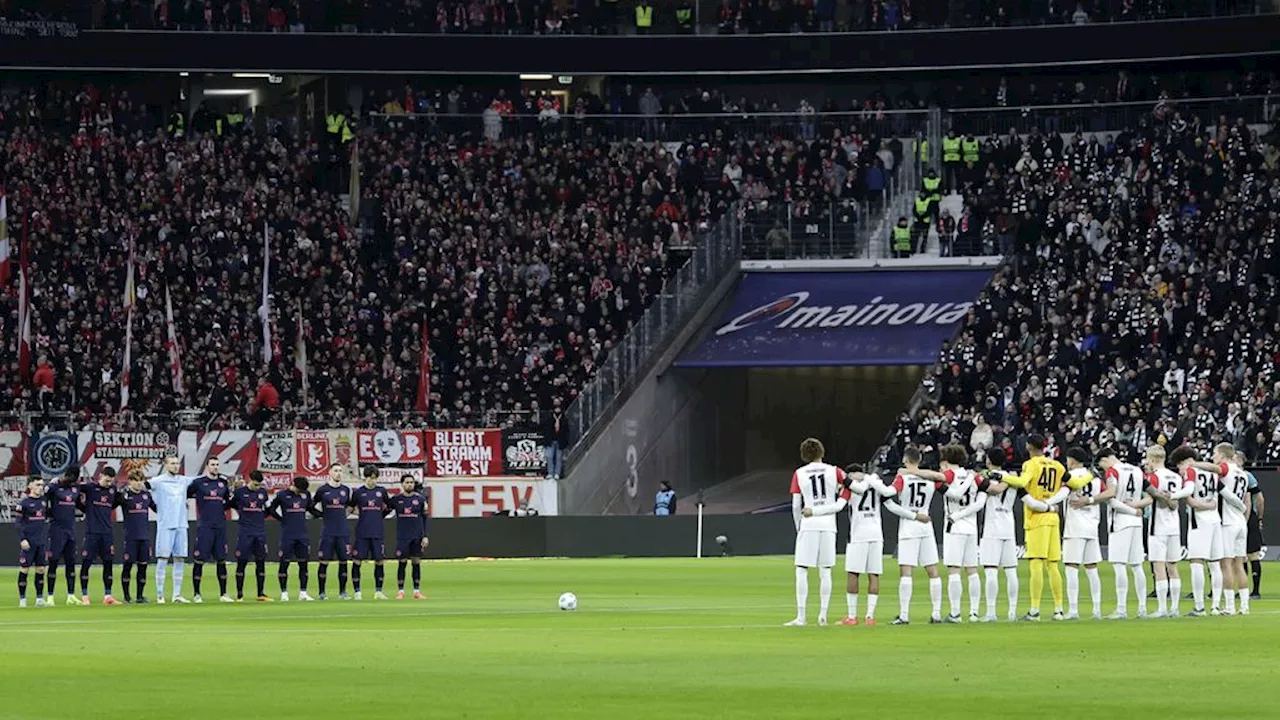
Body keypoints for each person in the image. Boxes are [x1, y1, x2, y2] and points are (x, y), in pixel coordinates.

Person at [998, 434, 1087, 621]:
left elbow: (1022, 483)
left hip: (1036, 517)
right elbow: (1076, 483)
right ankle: (1059, 609)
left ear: (1029, 446)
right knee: (1053, 565)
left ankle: (1035, 610)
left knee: (1036, 564)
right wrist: (1091, 475)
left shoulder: (1031, 464)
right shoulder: (1057, 465)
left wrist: (1001, 476)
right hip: (1053, 517)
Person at [907, 445, 983, 623]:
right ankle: (974, 612)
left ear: (946, 461)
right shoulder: (974, 476)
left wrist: (914, 471)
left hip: (954, 527)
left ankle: (955, 613)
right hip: (972, 527)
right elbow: (988, 491)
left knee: (954, 570)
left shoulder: (950, 474)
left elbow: (937, 478)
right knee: (972, 571)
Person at [787, 437, 847, 627]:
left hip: (809, 522)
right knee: (825, 570)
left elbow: (796, 505)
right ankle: (823, 615)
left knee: (802, 570)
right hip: (829, 523)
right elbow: (847, 487)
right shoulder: (834, 471)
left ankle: (801, 616)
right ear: (822, 452)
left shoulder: (799, 473)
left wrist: (799, 526)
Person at [886, 446, 944, 625]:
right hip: (926, 526)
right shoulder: (931, 479)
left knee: (906, 572)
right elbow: (944, 482)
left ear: (905, 459)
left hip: (909, 527)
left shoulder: (902, 478)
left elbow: (888, 499)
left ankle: (904, 615)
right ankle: (936, 614)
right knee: (933, 571)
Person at [833, 463, 897, 626]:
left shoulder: (851, 487)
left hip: (858, 534)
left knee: (853, 573)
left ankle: (852, 617)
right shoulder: (875, 484)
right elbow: (890, 504)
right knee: (873, 574)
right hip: (876, 534)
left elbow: (839, 500)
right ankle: (870, 616)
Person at [1097, 447, 1155, 618]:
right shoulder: (1137, 470)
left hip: (1120, 521)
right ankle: (1142, 608)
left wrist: (1130, 509)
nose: (1104, 469)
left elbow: (1112, 499)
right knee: (1137, 565)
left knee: (1119, 564)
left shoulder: (1112, 472)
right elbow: (1151, 496)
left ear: (1106, 459)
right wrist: (1137, 506)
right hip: (1136, 523)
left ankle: (1121, 609)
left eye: (1102, 465)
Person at [1171, 445, 1225, 616]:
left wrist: (1171, 495)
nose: (1179, 470)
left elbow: (1189, 494)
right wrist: (1209, 505)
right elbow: (1215, 500)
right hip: (1215, 518)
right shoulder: (1212, 473)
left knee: (1196, 562)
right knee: (1215, 563)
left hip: (1199, 521)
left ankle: (1199, 606)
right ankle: (1216, 606)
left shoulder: (1191, 471)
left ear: (1184, 462)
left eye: (1179, 465)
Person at [1062, 446, 1112, 620]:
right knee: (1092, 569)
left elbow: (1061, 492)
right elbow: (1106, 494)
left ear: (1072, 460)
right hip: (1092, 526)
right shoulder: (1096, 478)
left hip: (1074, 527)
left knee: (1071, 567)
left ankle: (1074, 610)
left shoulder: (1071, 477)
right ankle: (1097, 609)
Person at [1146, 445, 1191, 618]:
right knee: (1173, 566)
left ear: (1152, 459)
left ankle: (1162, 608)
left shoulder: (1153, 477)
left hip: (1158, 526)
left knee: (1159, 567)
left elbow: (1155, 498)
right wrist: (1171, 501)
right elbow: (1176, 502)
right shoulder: (1176, 476)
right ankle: (1175, 607)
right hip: (1174, 525)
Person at [977, 448, 1020, 622]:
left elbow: (993, 490)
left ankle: (991, 612)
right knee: (1011, 570)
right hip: (1009, 527)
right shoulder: (1012, 478)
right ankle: (1012, 612)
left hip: (992, 528)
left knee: (991, 570)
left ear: (988, 460)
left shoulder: (987, 477)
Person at [149, 454, 198, 603]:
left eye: (177, 463)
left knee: (180, 558)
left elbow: (201, 480)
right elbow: (140, 486)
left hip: (181, 524)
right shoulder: (157, 481)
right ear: (165, 465)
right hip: (165, 525)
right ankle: (160, 595)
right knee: (163, 558)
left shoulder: (183, 480)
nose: (175, 466)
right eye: (172, 463)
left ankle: (177, 594)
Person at [1211, 444, 1252, 615]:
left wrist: (1195, 464)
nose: (1213, 457)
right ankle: (1244, 606)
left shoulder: (1225, 469)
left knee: (1225, 564)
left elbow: (1214, 470)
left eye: (1214, 454)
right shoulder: (1243, 473)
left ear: (1222, 455)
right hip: (1241, 522)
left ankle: (1229, 606)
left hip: (1227, 521)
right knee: (1239, 565)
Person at [188, 459, 233, 603]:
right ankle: (196, 594)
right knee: (199, 560)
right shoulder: (198, 483)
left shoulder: (223, 483)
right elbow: (185, 494)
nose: (215, 467)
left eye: (217, 465)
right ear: (207, 466)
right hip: (205, 526)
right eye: (212, 465)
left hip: (220, 526)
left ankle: (224, 594)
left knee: (221, 560)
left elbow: (227, 503)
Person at [78, 467, 122, 606]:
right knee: (87, 563)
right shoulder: (90, 488)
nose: (109, 483)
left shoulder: (112, 490)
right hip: (92, 532)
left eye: (111, 481)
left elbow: (114, 504)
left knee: (108, 563)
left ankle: (108, 595)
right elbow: (75, 492)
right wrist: (85, 508)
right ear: (100, 476)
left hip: (107, 533)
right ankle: (85, 596)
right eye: (106, 480)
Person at [310, 463, 353, 600]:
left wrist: (343, 515)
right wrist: (320, 514)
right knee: (324, 561)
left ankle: (343, 592)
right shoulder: (323, 490)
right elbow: (310, 505)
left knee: (343, 561)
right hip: (328, 532)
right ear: (329, 472)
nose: (338, 473)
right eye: (336, 470)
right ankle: (322, 593)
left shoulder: (346, 490)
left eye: (340, 471)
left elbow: (350, 506)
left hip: (343, 532)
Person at [268, 476, 314, 602]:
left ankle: (303, 592)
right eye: (299, 490)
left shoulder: (306, 495)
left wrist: (321, 514)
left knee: (303, 564)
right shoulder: (282, 495)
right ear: (293, 485)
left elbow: (310, 508)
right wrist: (281, 520)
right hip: (288, 534)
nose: (300, 493)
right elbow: (271, 509)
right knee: (284, 563)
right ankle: (284, 593)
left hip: (302, 534)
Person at [350, 466, 393, 601]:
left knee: (379, 561)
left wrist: (381, 515)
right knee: (357, 561)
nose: (372, 481)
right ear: (365, 478)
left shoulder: (381, 491)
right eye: (370, 478)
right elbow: (350, 507)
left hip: (377, 532)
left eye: (375, 478)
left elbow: (389, 506)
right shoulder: (358, 493)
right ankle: (357, 592)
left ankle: (378, 591)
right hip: (362, 532)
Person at [118, 470, 156, 604]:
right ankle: (127, 596)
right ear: (130, 481)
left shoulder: (146, 495)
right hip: (130, 537)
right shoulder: (124, 495)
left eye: (141, 480)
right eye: (136, 480)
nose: (139, 483)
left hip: (144, 536)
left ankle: (140, 596)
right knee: (128, 566)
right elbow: (110, 505)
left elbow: (158, 508)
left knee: (143, 566)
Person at [44, 469, 81, 606]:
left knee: (70, 563)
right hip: (56, 530)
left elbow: (81, 504)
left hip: (70, 530)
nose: (69, 479)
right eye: (68, 476)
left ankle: (71, 595)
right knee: (53, 562)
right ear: (65, 474)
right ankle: (50, 596)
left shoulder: (76, 489)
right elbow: (42, 499)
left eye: (72, 478)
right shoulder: (53, 487)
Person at [390, 475, 430, 600]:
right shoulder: (396, 500)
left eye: (411, 482)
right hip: (402, 537)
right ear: (402, 484)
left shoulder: (421, 499)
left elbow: (425, 519)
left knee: (416, 563)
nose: (409, 485)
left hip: (417, 537)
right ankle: (401, 591)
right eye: (407, 482)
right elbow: (384, 511)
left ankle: (416, 591)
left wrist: (425, 536)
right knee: (402, 563)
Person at [18, 478, 51, 608]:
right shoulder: (24, 503)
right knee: (24, 569)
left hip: (41, 541)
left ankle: (39, 598)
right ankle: (22, 599)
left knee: (41, 569)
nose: (40, 487)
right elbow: (18, 523)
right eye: (38, 484)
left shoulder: (44, 501)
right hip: (29, 542)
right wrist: (22, 539)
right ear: (30, 485)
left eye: (42, 485)